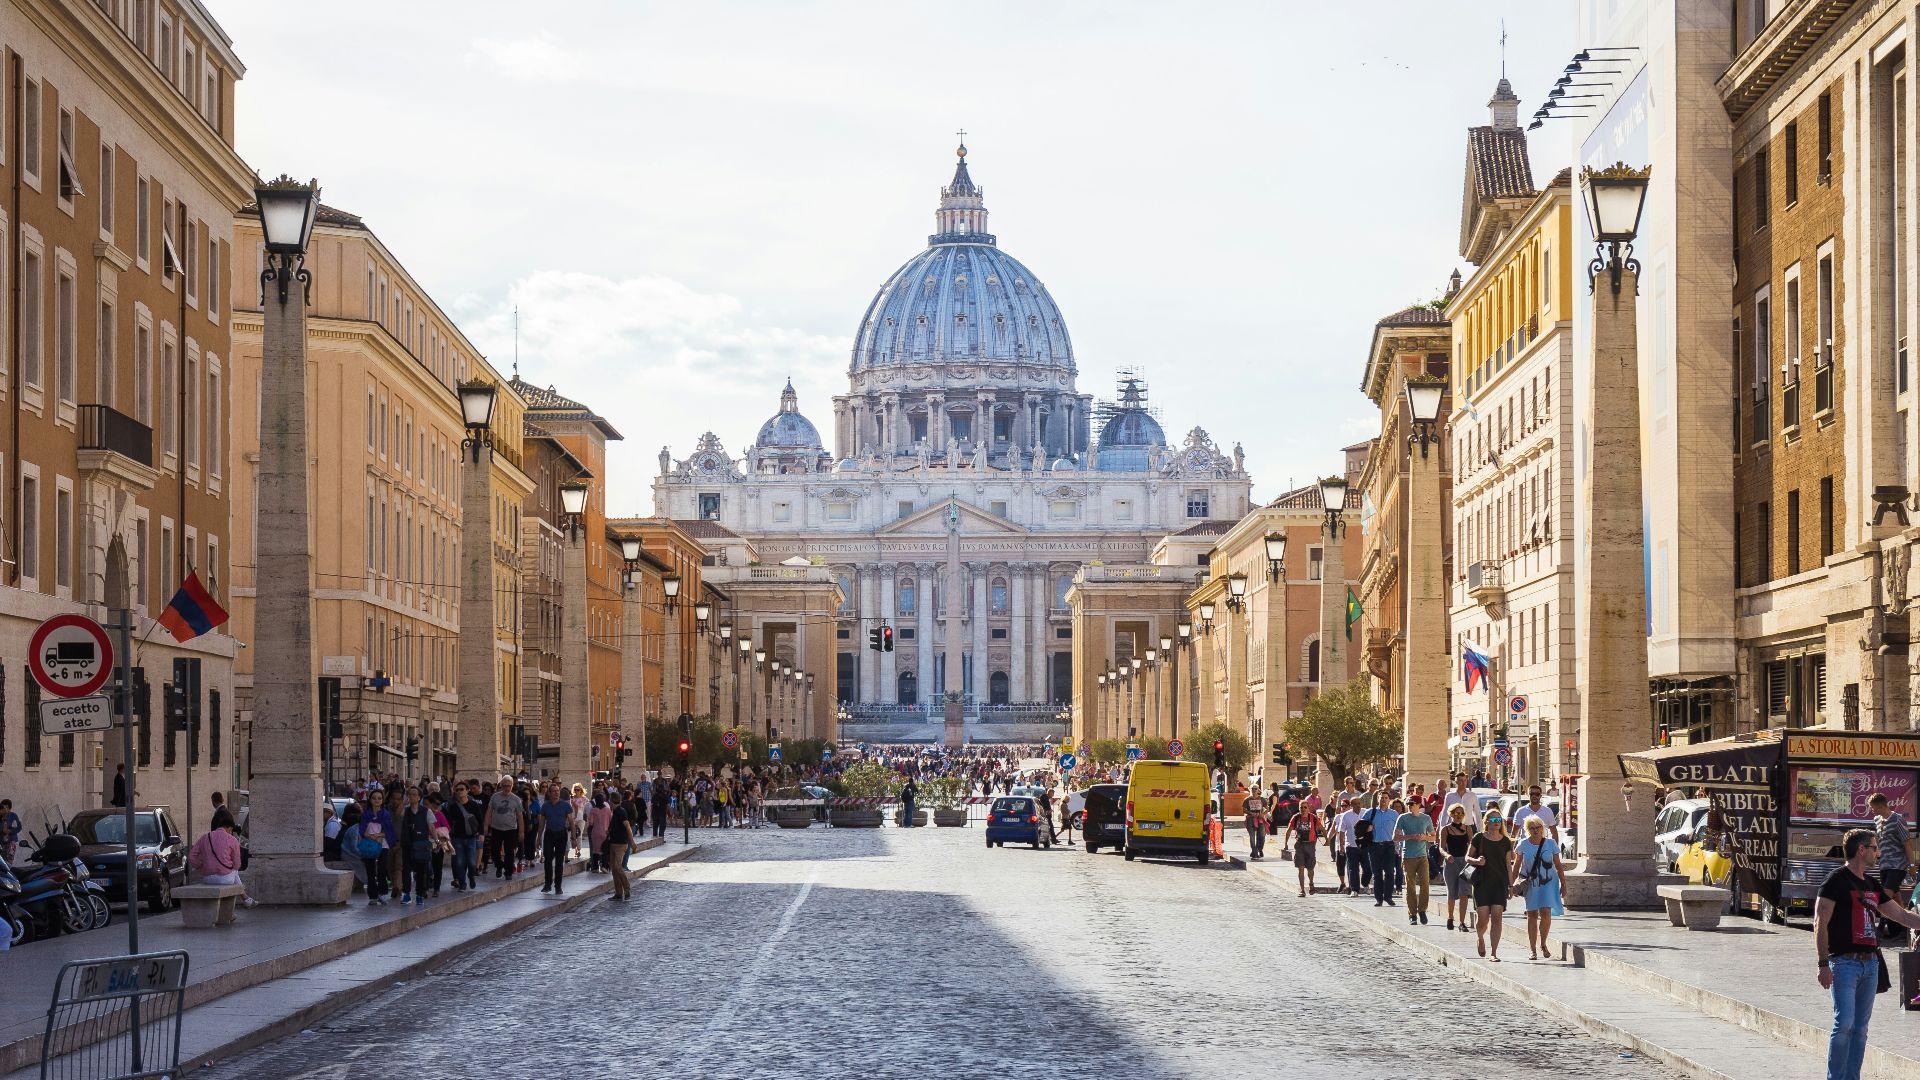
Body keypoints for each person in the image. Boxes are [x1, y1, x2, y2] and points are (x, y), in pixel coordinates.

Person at [1816, 828, 1920, 1080]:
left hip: (1870, 964)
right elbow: (1820, 923)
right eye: (1874, 847)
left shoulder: (1872, 884)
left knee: (1860, 1029)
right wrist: (1822, 963)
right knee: (1844, 1024)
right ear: (1861, 850)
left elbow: (1901, 915)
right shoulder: (1835, 881)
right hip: (1843, 964)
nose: (1878, 852)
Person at [1515, 814, 1565, 959]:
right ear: (1527, 829)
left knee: (1546, 913)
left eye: (1538, 827)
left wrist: (1564, 884)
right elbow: (1517, 865)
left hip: (1549, 883)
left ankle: (1543, 943)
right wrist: (1511, 884)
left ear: (1542, 828)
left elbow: (1558, 865)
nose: (1536, 830)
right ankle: (1532, 949)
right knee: (1531, 914)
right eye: (1532, 828)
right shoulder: (1523, 844)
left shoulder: (1550, 843)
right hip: (1531, 883)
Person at [1468, 812, 1513, 961]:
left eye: (1499, 819)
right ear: (1486, 822)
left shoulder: (1506, 841)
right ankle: (1480, 938)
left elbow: (1508, 865)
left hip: (1499, 884)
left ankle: (1494, 953)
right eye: (1493, 819)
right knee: (1482, 919)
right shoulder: (1479, 838)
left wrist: (1511, 885)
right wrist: (1476, 860)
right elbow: (1467, 857)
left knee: (1497, 918)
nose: (1496, 822)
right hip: (1481, 883)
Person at [1395, 795, 1436, 926]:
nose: (1410, 806)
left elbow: (1433, 837)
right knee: (1410, 886)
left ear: (1419, 805)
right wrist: (1410, 836)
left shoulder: (1426, 818)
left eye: (1412, 804)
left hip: (1422, 856)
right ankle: (1412, 914)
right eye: (1408, 804)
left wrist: (1424, 837)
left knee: (1425, 883)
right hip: (1408, 857)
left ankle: (1422, 910)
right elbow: (1395, 837)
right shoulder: (1403, 818)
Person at [396, 786, 435, 905]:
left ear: (419, 797)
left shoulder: (426, 811)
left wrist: (437, 840)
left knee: (421, 871)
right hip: (407, 843)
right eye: (410, 794)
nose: (411, 797)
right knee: (406, 870)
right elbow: (399, 814)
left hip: (421, 844)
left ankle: (419, 894)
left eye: (414, 794)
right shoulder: (406, 810)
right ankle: (406, 894)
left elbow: (431, 827)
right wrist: (403, 802)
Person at [1439, 803, 1475, 932]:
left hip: (1465, 863)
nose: (1458, 815)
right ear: (1451, 814)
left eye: (1461, 813)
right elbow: (1441, 847)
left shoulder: (1468, 828)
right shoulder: (1445, 829)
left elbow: (1472, 845)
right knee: (1452, 892)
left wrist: (1472, 859)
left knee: (1464, 892)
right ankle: (1450, 917)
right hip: (1451, 863)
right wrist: (1447, 855)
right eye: (1456, 813)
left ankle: (1462, 922)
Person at [357, 788, 394, 906]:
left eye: (379, 798)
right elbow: (362, 829)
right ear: (370, 800)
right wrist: (370, 836)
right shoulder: (365, 814)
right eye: (374, 798)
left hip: (383, 844)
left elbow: (389, 830)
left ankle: (382, 893)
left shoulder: (386, 814)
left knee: (382, 869)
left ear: (383, 800)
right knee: (370, 870)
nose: (377, 800)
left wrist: (379, 835)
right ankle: (373, 896)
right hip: (369, 844)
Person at [443, 781, 480, 891]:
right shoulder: (453, 806)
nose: (459, 791)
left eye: (462, 789)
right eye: (457, 790)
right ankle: (462, 883)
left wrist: (481, 833)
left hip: (471, 837)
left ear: (467, 791)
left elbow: (480, 819)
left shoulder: (473, 805)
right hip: (457, 837)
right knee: (459, 862)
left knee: (472, 862)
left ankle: (471, 876)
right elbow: (448, 822)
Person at [485, 777, 524, 880]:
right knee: (494, 850)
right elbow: (489, 811)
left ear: (512, 786)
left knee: (509, 851)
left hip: (511, 829)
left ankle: (508, 872)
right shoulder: (495, 797)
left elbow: (520, 816)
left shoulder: (516, 799)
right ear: (501, 786)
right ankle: (499, 865)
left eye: (509, 786)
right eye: (505, 786)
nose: (507, 788)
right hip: (496, 828)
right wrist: (486, 825)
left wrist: (521, 832)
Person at [538, 783, 574, 895]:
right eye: (553, 791)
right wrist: (539, 838)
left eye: (557, 790)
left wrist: (573, 837)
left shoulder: (565, 805)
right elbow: (542, 823)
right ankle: (547, 884)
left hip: (561, 834)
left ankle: (558, 886)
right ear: (550, 793)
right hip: (549, 834)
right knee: (548, 860)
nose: (556, 793)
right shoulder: (545, 806)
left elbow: (571, 821)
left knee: (559, 861)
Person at [1364, 798, 1400, 907]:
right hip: (1374, 846)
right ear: (1378, 799)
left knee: (1389, 872)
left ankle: (1388, 896)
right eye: (1381, 797)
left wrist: (1399, 846)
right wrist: (1367, 828)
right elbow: (1360, 827)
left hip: (1389, 846)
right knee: (1377, 874)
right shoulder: (1370, 812)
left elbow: (1399, 829)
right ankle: (1378, 898)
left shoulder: (1394, 814)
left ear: (1389, 800)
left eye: (1386, 798)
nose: (1384, 800)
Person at [605, 791, 635, 901]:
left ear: (611, 801)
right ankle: (618, 893)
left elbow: (627, 827)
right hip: (613, 843)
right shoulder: (616, 812)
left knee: (617, 867)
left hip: (620, 844)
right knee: (614, 869)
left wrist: (632, 842)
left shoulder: (621, 812)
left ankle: (627, 888)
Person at [1287, 802, 1319, 896]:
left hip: (1310, 845)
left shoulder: (1313, 818)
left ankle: (1311, 883)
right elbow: (1289, 830)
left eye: (1305, 807)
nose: (1303, 809)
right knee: (1300, 868)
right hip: (1299, 845)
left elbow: (1322, 828)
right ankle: (1302, 890)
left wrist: (1327, 840)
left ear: (1308, 808)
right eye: (1301, 807)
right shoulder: (1296, 817)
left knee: (1310, 868)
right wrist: (1285, 843)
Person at [1336, 799, 1364, 895]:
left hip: (1365, 845)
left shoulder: (1365, 813)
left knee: (1367, 867)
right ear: (1351, 805)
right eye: (1355, 804)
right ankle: (1354, 889)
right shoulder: (1346, 815)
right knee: (1353, 868)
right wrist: (1341, 846)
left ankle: (1366, 883)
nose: (1358, 806)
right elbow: (1342, 831)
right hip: (1351, 846)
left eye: (1359, 803)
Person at [1243, 786, 1268, 861]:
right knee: (1252, 836)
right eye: (1252, 789)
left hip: (1260, 819)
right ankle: (1254, 852)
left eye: (1255, 789)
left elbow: (1267, 808)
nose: (1254, 790)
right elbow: (1244, 810)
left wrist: (1262, 814)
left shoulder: (1262, 799)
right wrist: (1250, 813)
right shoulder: (1247, 799)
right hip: (1250, 819)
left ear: (1258, 790)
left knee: (1261, 835)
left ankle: (1259, 849)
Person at [0, 799, 22, 864]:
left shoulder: (13, 816)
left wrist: (9, 831)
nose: (5, 810)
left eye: (6, 807)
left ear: (10, 808)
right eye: (3, 807)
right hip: (1, 843)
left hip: (11, 843)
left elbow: (19, 827)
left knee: (8, 862)